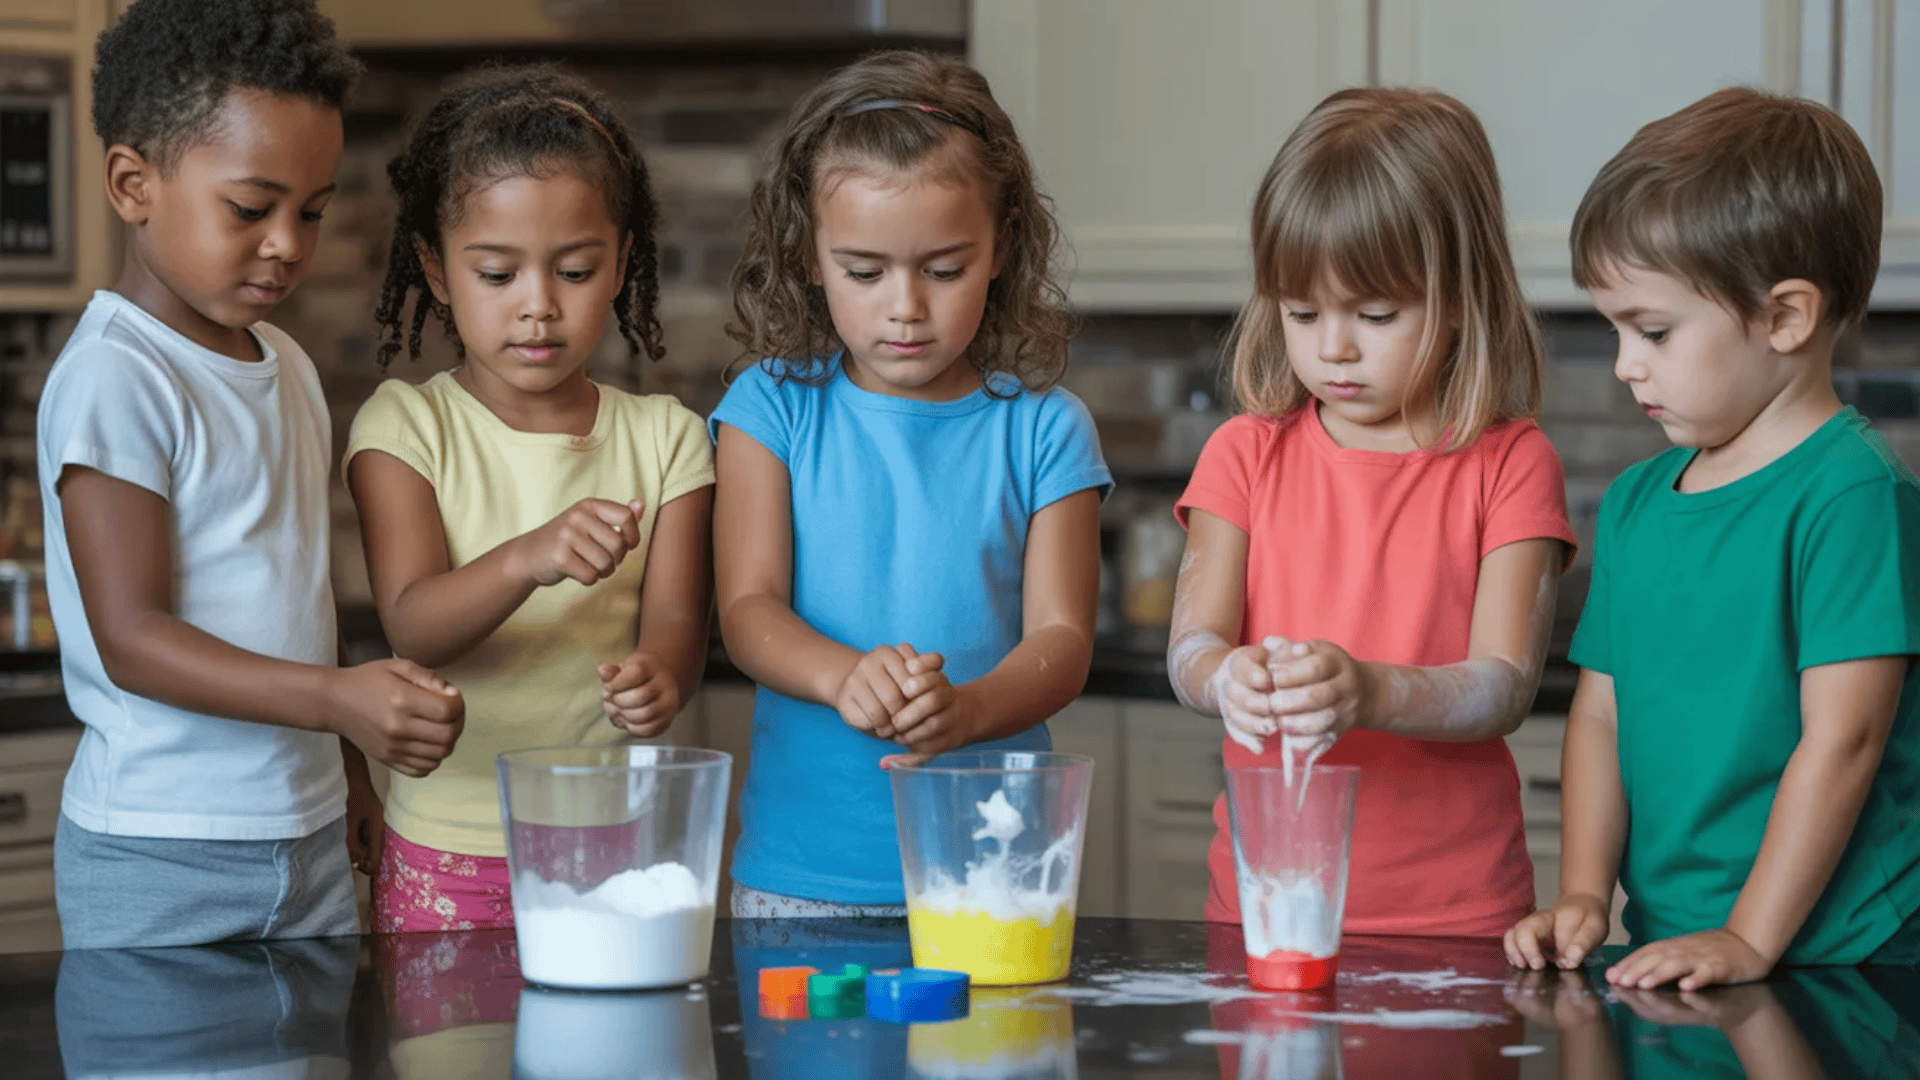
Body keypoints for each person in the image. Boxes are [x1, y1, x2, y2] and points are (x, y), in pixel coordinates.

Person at [36, 0, 464, 950]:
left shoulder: (289, 368)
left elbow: (293, 599)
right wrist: (340, 700)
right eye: (250, 208)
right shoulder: (116, 374)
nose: (287, 243)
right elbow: (132, 638)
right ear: (133, 184)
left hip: (305, 832)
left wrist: (344, 766)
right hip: (160, 851)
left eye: (311, 212)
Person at [1505, 87, 1920, 990]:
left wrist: (1748, 939)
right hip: (1678, 944)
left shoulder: (1852, 495)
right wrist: (1584, 892)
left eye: (1653, 331)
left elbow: (1845, 740)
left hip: (1847, 960)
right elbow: (1601, 716)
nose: (1625, 364)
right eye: (1616, 329)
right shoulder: (1635, 503)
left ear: (1785, 318)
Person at [1168, 87, 1576, 939]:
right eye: (1302, 313)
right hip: (1268, 903)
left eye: (1377, 314)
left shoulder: (1511, 464)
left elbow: (1503, 686)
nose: (1334, 348)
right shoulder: (1243, 455)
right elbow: (1192, 648)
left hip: (1457, 916)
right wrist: (1225, 677)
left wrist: (1371, 690)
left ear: (1461, 296)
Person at [712, 50, 1111, 916]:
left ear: (1001, 247)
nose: (905, 306)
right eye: (865, 272)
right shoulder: (770, 408)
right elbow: (746, 609)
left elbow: (1062, 640)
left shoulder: (1046, 428)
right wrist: (842, 676)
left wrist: (969, 712)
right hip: (801, 879)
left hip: (995, 879)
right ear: (809, 255)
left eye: (944, 269)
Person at [346, 65, 713, 932]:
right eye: (498, 274)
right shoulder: (406, 427)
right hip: (447, 845)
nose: (538, 306)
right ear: (437, 271)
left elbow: (676, 625)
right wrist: (528, 557)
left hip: (611, 841)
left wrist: (661, 677)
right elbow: (413, 623)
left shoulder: (668, 439)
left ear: (620, 263)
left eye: (576, 271)